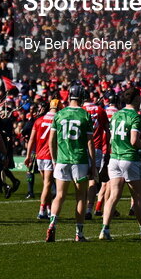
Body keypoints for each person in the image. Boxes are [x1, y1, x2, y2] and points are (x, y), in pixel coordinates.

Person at [100, 86, 141, 240]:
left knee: (113, 196)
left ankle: (104, 230)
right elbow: (134, 141)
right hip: (129, 159)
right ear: (136, 99)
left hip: (115, 158)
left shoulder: (117, 115)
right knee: (138, 197)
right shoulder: (135, 117)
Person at [45, 84, 95, 243]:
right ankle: (79, 233)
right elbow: (89, 143)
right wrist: (93, 164)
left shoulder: (59, 114)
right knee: (81, 197)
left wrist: (54, 159)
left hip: (62, 160)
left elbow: (50, 140)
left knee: (59, 195)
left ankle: (52, 223)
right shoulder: (85, 115)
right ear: (82, 97)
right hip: (79, 161)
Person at [25, 99, 58, 220]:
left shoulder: (38, 120)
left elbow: (32, 139)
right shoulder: (58, 119)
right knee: (48, 185)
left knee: (46, 183)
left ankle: (48, 209)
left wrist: (28, 155)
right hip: (50, 155)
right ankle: (42, 210)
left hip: (39, 155)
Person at [82, 93, 110, 218]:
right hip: (97, 148)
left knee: (81, 180)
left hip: (81, 148)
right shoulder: (100, 110)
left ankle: (81, 207)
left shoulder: (80, 110)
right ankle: (89, 209)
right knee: (93, 179)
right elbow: (107, 131)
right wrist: (108, 148)